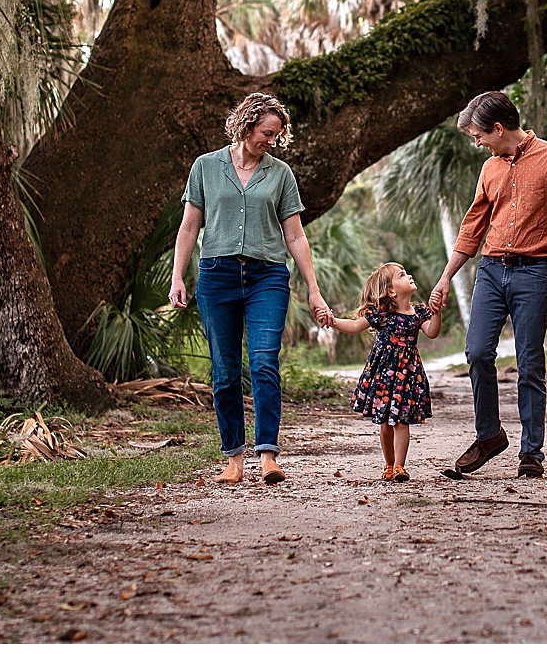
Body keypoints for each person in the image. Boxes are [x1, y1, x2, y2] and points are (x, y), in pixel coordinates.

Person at [168, 92, 329, 486]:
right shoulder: (206, 167)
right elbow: (190, 227)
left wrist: (313, 288)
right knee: (224, 372)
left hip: (267, 277)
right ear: (246, 125)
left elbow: (295, 236)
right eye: (265, 133)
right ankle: (234, 460)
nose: (270, 141)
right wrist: (178, 276)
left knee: (263, 363)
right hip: (217, 276)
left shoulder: (280, 174)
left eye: (276, 135)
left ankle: (268, 455)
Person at [429, 91, 547, 479]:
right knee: (477, 352)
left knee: (529, 363)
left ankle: (531, 453)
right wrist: (446, 276)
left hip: (533, 272)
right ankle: (489, 436)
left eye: (479, 136)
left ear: (498, 128)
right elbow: (472, 227)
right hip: (490, 270)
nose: (478, 143)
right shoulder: (490, 170)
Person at [324, 263, 446, 481]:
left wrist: (436, 313)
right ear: (391, 290)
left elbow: (432, 332)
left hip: (408, 375)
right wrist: (332, 321)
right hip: (383, 374)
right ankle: (389, 465)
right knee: (385, 423)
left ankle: (400, 466)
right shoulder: (382, 314)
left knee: (402, 420)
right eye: (402, 275)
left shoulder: (418, 312)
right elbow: (353, 326)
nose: (409, 275)